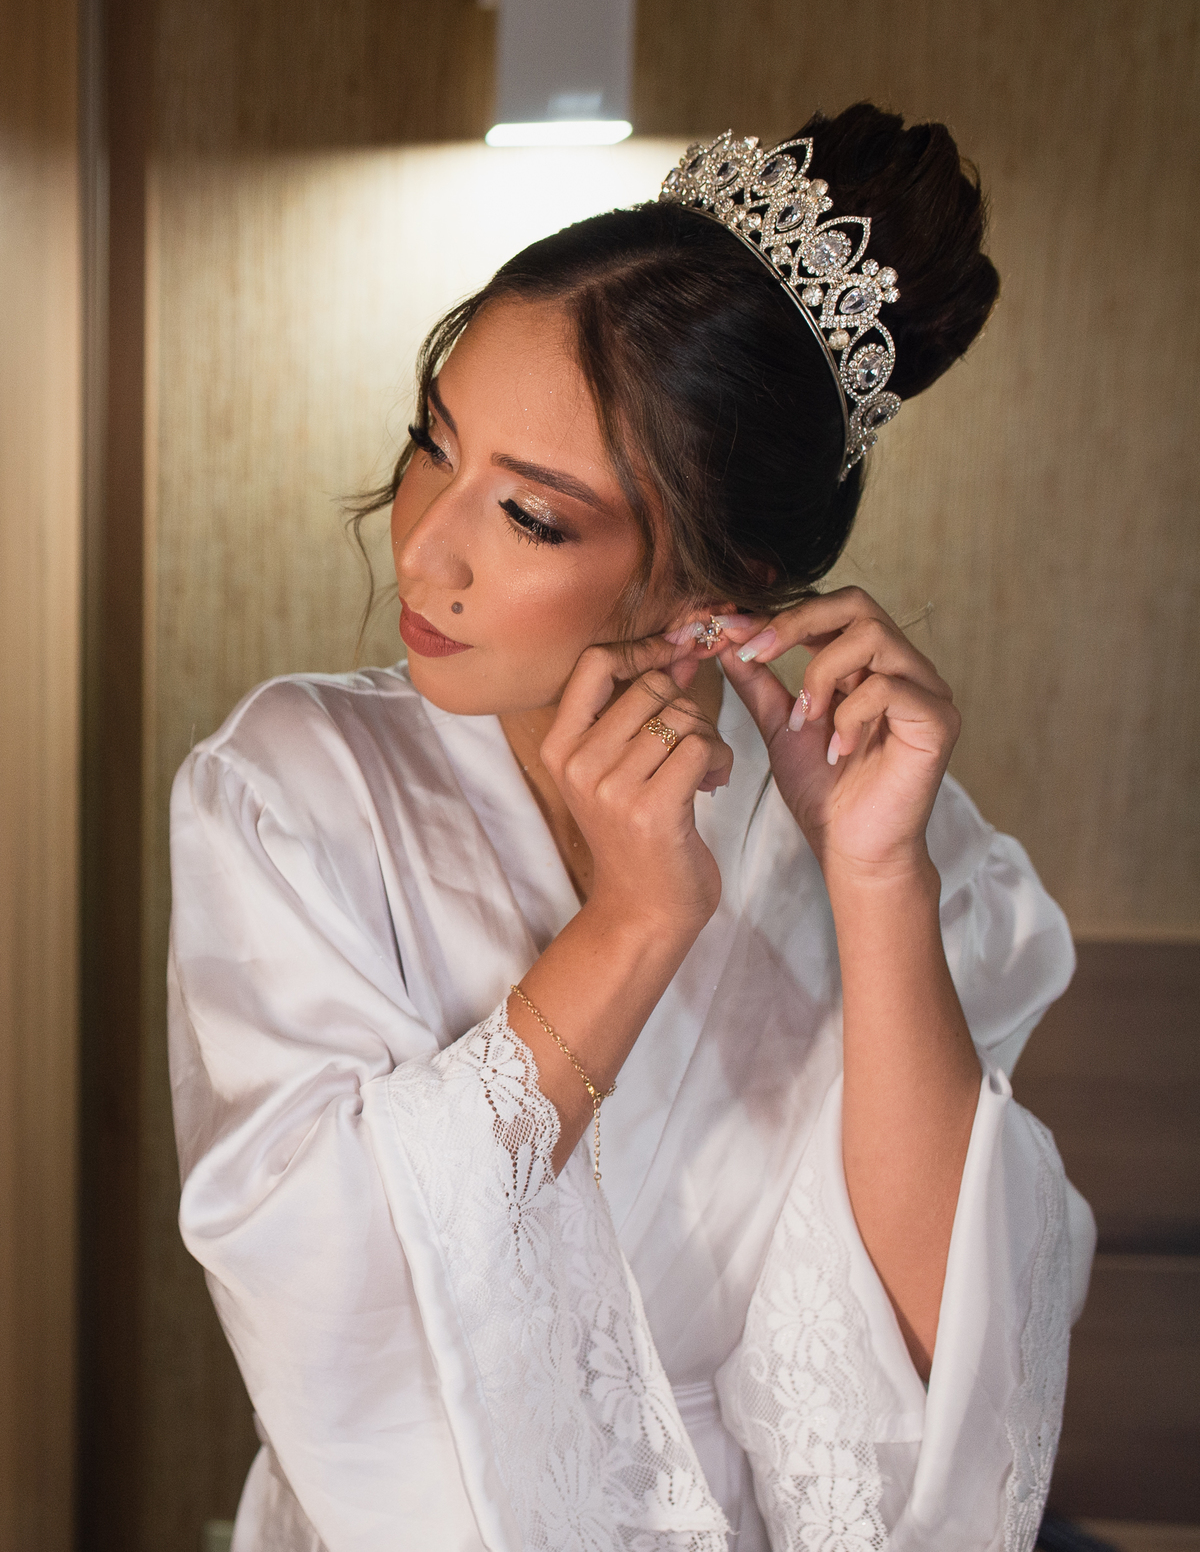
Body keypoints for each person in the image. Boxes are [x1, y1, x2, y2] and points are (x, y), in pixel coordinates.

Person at [168, 104, 1096, 1552]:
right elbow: (323, 1288)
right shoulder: (294, 791)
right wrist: (635, 921)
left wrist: (875, 881)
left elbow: (955, 1373)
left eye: (530, 517)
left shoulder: (906, 851)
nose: (425, 544)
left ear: (724, 582)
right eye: (432, 445)